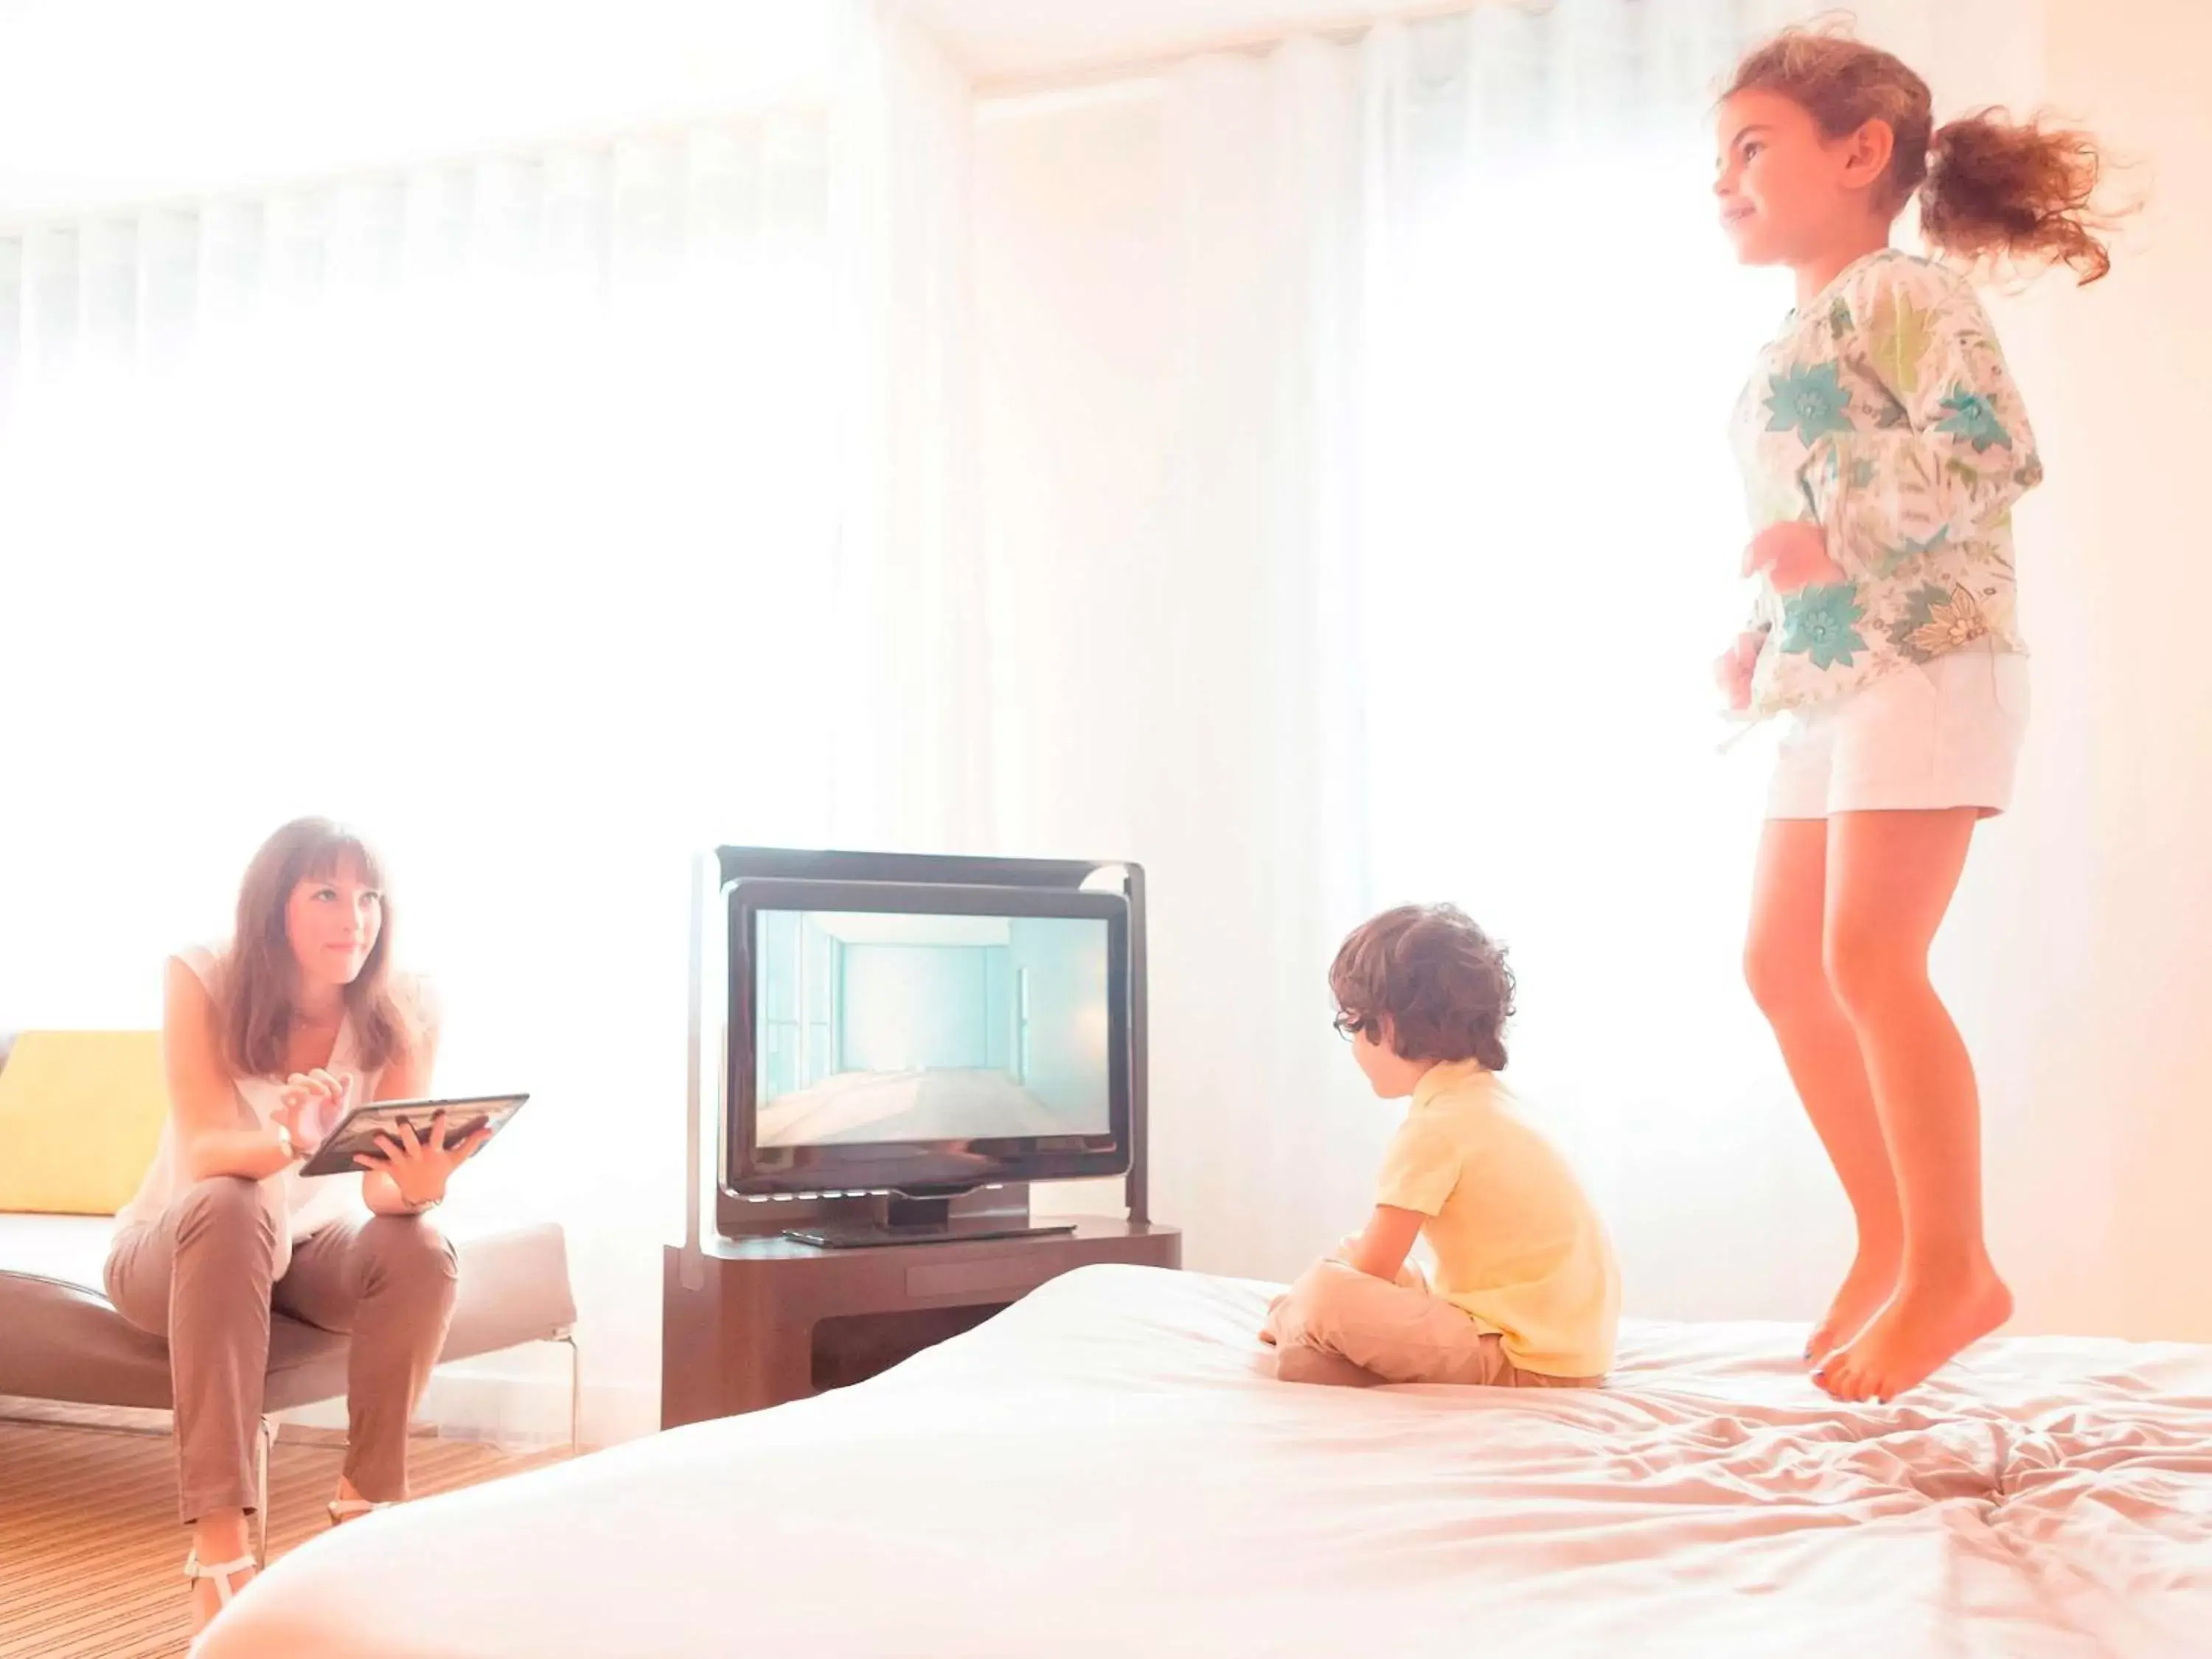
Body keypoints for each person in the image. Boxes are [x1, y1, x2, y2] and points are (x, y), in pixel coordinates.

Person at [1712, 25, 2121, 1402]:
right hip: (1833, 673)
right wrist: (1763, 627)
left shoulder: (1905, 290)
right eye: (1718, 157)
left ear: (1860, 152)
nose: (1724, 179)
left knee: (1870, 957)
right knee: (1783, 966)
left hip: (1932, 660)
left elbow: (1996, 449)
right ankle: (1892, 1242)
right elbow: (1808, 518)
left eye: (1751, 147)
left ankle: (1954, 1266)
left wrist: (1830, 539)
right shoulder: (1799, 328)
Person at [102, 818, 487, 1631]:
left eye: (369, 897)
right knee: (233, 1199)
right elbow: (208, 1147)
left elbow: (381, 1192)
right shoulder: (203, 974)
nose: (356, 918)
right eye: (326, 894)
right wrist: (287, 1141)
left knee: (419, 1245)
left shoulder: (405, 1003)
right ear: (273, 906)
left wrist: (419, 1186)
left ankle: (365, 1511)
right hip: (173, 1247)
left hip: (304, 1252)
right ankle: (219, 1550)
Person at [1262, 905, 1620, 1390]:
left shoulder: (1436, 1128)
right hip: (1564, 1344)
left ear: (1385, 1026)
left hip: (1523, 1358)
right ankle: (1307, 1328)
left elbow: (1371, 1271)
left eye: (1352, 1026)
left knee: (1328, 1295)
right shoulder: (1488, 1101)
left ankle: (1301, 1333)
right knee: (1366, 1261)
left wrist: (1300, 1308)